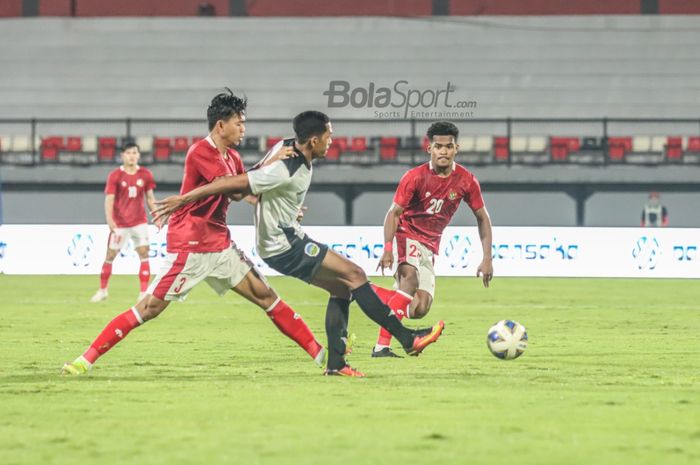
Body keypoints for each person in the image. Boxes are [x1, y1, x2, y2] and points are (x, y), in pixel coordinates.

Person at [152, 111, 445, 378]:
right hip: (283, 244)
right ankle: (408, 339)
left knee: (342, 286)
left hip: (288, 237)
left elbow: (252, 182)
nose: (332, 142)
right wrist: (184, 198)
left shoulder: (287, 149)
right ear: (314, 140)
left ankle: (336, 364)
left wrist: (283, 202)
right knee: (355, 275)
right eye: (329, 137)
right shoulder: (286, 167)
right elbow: (236, 184)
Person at [63, 90, 325, 375]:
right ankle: (84, 360)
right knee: (148, 308)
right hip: (191, 245)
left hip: (220, 244)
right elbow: (229, 183)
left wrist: (272, 199)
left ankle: (322, 354)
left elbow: (239, 192)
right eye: (239, 123)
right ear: (220, 125)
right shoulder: (200, 151)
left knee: (266, 296)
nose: (243, 129)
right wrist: (269, 165)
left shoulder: (233, 157)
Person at [371, 121, 493, 357]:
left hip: (429, 245)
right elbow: (393, 213)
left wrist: (487, 257)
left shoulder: (467, 181)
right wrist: (387, 248)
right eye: (438, 146)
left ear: (456, 148)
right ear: (429, 149)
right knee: (410, 280)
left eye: (448, 146)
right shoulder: (414, 177)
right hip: (406, 234)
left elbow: (482, 217)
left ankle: (363, 291)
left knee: (419, 308)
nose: (443, 151)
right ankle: (381, 347)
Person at [90, 142, 156, 303]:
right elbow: (109, 200)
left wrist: (157, 214)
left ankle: (143, 293)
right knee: (110, 255)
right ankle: (103, 290)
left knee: (144, 255)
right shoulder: (115, 176)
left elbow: (150, 198)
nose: (132, 156)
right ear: (122, 156)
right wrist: (110, 220)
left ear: (139, 155)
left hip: (139, 222)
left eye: (134, 152)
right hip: (120, 224)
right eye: (128, 153)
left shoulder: (145, 174)